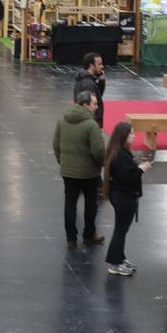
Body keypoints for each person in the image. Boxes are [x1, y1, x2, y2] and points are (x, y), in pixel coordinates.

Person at [53, 91, 106, 248]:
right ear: (85, 105)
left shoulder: (62, 120)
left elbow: (55, 145)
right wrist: (100, 165)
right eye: (94, 104)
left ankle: (71, 238)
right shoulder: (91, 124)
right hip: (89, 174)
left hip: (68, 172)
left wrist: (63, 162)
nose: (97, 107)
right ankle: (89, 235)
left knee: (70, 204)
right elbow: (98, 151)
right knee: (91, 205)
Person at [103, 122, 150, 276]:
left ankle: (119, 257)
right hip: (123, 197)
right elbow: (127, 176)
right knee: (120, 230)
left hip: (122, 196)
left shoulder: (119, 152)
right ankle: (114, 262)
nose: (134, 135)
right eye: (131, 133)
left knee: (122, 229)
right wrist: (141, 169)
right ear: (123, 136)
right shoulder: (120, 155)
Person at [73, 52, 106, 126]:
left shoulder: (88, 79)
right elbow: (90, 106)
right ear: (91, 66)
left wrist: (101, 82)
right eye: (99, 64)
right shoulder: (87, 83)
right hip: (90, 124)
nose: (102, 66)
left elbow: (97, 96)